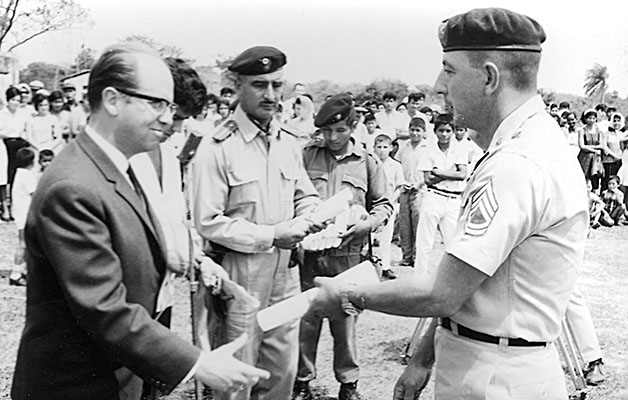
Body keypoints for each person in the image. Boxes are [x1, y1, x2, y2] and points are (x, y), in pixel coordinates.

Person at [309, 8, 588, 400]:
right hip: (486, 359)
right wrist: (422, 357)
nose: (440, 86)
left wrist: (347, 296)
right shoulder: (526, 145)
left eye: (450, 70)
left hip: (497, 377)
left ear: (490, 77)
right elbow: (469, 277)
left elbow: (444, 293)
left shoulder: (517, 164)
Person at [11, 43, 270, 400]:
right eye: (157, 103)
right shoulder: (75, 187)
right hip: (78, 385)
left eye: (170, 106)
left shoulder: (117, 167)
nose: (167, 118)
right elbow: (105, 310)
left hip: (119, 376)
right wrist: (198, 364)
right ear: (114, 100)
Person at [191, 45, 322, 400]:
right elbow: (207, 222)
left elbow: (304, 193)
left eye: (277, 85)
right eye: (259, 85)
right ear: (237, 86)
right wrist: (271, 235)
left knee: (281, 371)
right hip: (240, 277)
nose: (271, 95)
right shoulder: (217, 146)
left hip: (286, 273)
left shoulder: (287, 141)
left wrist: (313, 214)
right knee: (238, 374)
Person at [294, 94, 393, 400]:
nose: (333, 138)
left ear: (354, 127)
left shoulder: (367, 162)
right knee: (305, 322)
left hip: (348, 256)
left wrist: (367, 225)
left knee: (345, 321)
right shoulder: (307, 155)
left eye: (340, 131)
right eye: (326, 131)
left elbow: (384, 204)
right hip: (309, 256)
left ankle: (348, 383)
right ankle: (302, 381)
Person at [414, 113, 467, 274]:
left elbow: (462, 174)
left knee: (452, 243)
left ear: (452, 131)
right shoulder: (428, 150)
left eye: (448, 131)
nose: (444, 135)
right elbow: (428, 179)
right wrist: (450, 172)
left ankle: (449, 281)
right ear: (435, 131)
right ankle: (419, 280)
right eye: (441, 131)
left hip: (453, 199)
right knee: (425, 244)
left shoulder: (459, 148)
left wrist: (438, 171)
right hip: (434, 197)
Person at [396, 117, 428, 267]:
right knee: (404, 224)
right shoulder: (404, 148)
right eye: (412, 130)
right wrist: (402, 182)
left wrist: (419, 184)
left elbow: (430, 173)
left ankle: (417, 256)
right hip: (404, 190)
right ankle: (406, 256)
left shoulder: (427, 149)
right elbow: (397, 167)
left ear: (424, 132)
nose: (415, 133)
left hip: (420, 191)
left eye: (418, 130)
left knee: (418, 224)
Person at [372, 133, 404, 279]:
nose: (382, 150)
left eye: (385, 147)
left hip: (388, 205)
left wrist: (390, 203)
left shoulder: (396, 166)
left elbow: (399, 187)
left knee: (386, 237)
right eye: (379, 147)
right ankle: (370, 265)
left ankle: (385, 266)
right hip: (372, 206)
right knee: (370, 238)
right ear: (374, 148)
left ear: (391, 148)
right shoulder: (371, 164)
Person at [8, 147, 37, 286]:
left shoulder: (19, 173)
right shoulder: (27, 175)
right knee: (23, 244)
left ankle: (24, 269)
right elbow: (35, 194)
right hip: (24, 215)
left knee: (27, 244)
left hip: (21, 214)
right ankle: (15, 274)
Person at [577, 108, 604, 192]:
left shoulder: (599, 131)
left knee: (595, 179)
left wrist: (595, 149)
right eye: (589, 118)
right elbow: (582, 145)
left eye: (593, 118)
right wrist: (594, 149)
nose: (592, 120)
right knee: (583, 179)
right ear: (585, 118)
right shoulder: (582, 130)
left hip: (595, 158)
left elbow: (601, 144)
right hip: (584, 158)